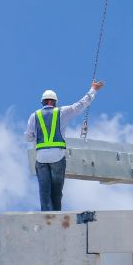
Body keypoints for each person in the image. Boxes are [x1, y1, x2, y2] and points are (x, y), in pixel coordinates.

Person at [24, 81, 105, 211]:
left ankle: (45, 216)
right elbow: (80, 105)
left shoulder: (34, 116)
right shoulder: (61, 112)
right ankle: (56, 215)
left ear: (43, 102)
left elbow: (28, 137)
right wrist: (93, 89)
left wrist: (37, 137)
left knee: (44, 192)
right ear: (53, 102)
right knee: (56, 191)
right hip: (57, 156)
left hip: (41, 158)